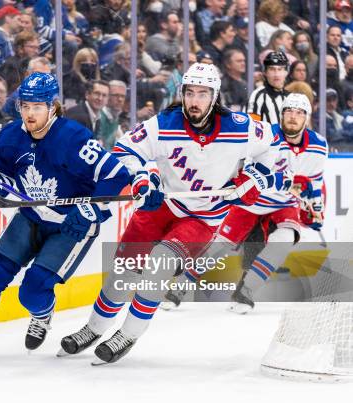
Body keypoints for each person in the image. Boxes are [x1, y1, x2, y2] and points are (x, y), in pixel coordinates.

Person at [59, 63, 283, 365]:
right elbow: (125, 151)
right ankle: (93, 328)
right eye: (190, 92)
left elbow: (276, 147)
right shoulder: (164, 123)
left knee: (159, 266)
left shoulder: (241, 127)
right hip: (160, 206)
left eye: (203, 94)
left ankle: (128, 333)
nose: (194, 100)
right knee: (121, 275)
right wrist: (144, 177)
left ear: (214, 96)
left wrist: (255, 178)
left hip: (203, 218)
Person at [0, 72, 131, 354]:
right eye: (25, 106)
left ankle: (41, 316)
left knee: (33, 290)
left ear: (52, 107)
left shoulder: (74, 137)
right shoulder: (10, 135)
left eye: (37, 107)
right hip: (31, 216)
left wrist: (90, 208)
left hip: (71, 224)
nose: (29, 113)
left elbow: (115, 173)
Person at [162, 94, 327, 313]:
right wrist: (286, 183)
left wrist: (316, 207)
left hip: (283, 205)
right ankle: (180, 286)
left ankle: (246, 290)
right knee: (219, 246)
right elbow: (250, 172)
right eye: (289, 111)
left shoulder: (319, 145)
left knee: (284, 239)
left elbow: (314, 182)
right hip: (251, 201)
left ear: (307, 117)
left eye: (299, 113)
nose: (293, 117)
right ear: (282, 113)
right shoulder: (267, 136)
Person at [248, 51, 290, 124]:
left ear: (286, 72)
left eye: (280, 69)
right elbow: (250, 127)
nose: (276, 74)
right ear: (265, 72)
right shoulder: (257, 96)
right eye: (272, 69)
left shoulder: (290, 97)